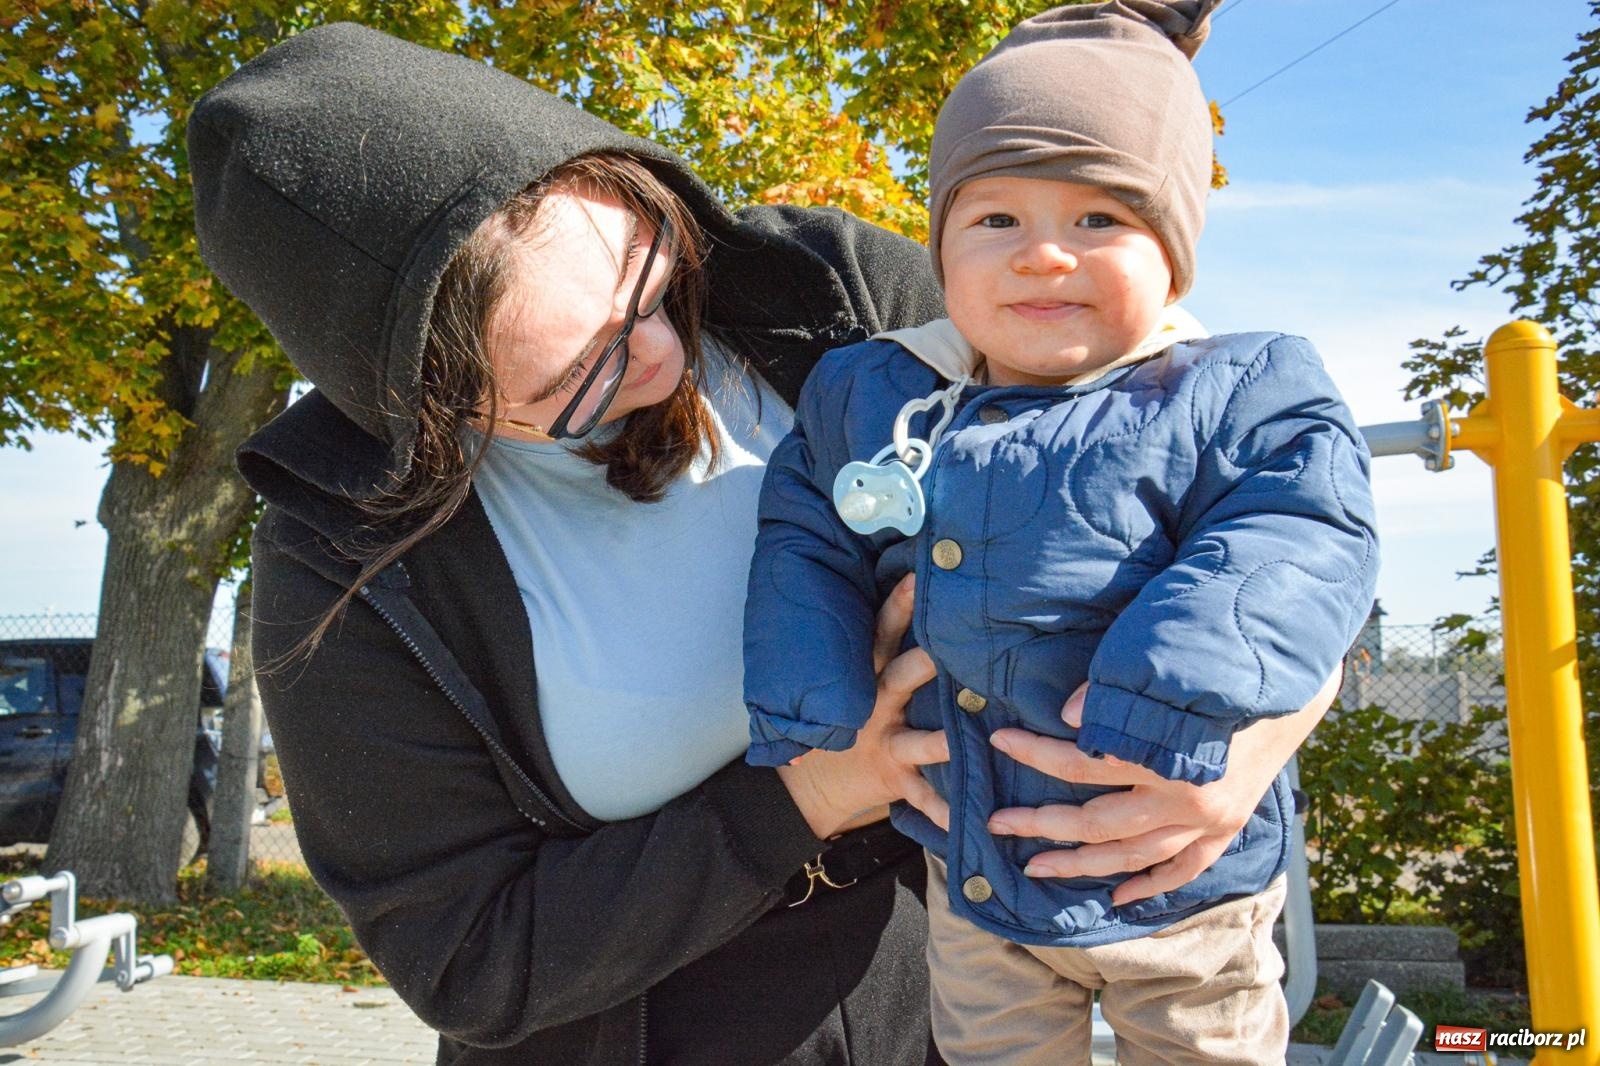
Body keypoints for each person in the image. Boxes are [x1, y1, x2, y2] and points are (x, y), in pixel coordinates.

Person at [189, 19, 1338, 1066]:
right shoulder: (341, 560)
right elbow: (470, 960)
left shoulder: (831, 294)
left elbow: (1247, 502)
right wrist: (805, 795)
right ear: (435, 412)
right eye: (573, 378)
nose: (656, 358)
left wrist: (1239, 759)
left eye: (650, 281)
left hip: (948, 994)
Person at [742, 2, 1379, 1063]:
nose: (1042, 255)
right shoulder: (885, 395)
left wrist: (1165, 697)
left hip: (1178, 888)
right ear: (941, 246)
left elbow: (1299, 535)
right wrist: (814, 694)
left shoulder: (1227, 392)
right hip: (975, 872)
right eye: (995, 221)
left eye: (1097, 221)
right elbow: (803, 523)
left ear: (1173, 258)